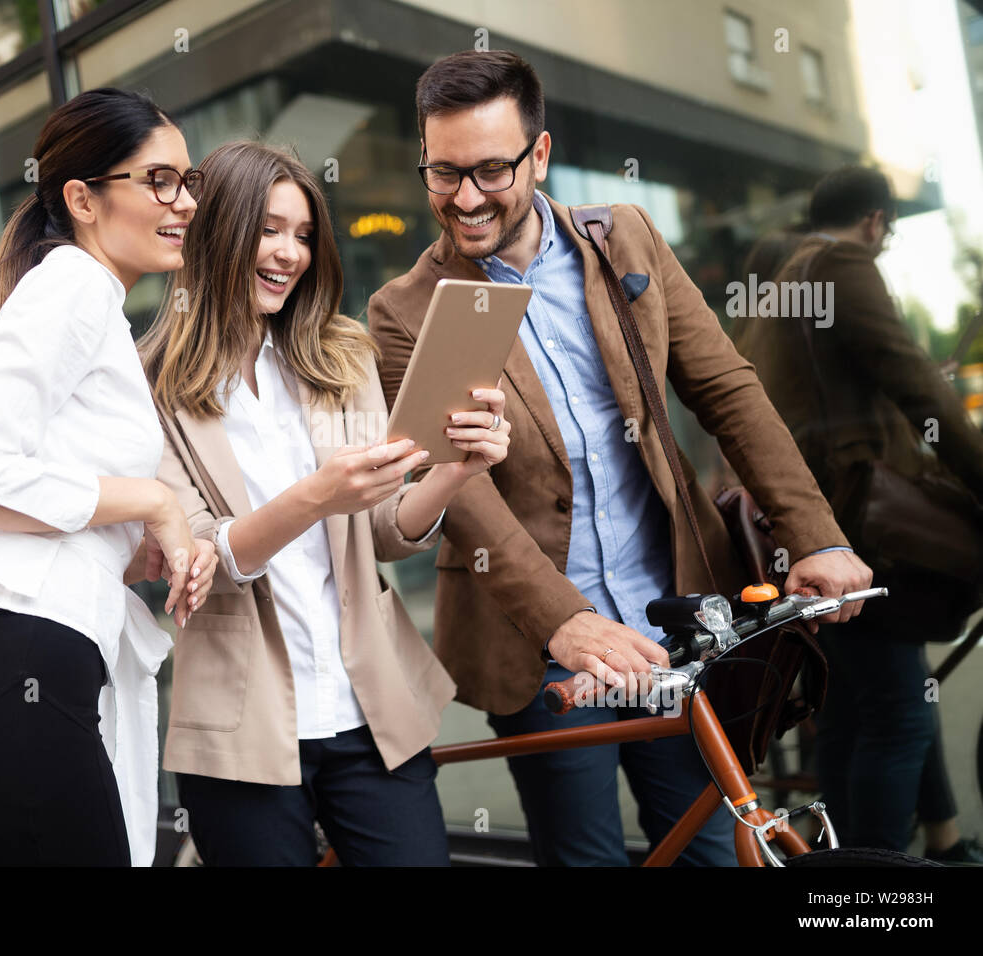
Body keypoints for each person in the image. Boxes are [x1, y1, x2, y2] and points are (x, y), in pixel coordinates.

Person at [369, 49, 872, 867]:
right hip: (540, 650)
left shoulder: (626, 239)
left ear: (540, 154)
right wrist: (562, 620)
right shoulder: (403, 309)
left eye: (491, 170)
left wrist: (814, 533)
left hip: (670, 622)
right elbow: (455, 490)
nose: (464, 198)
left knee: (712, 849)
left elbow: (728, 391)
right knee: (588, 859)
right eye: (443, 172)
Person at [140, 140, 511, 866]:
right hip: (239, 733)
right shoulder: (151, 385)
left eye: (304, 235)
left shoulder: (340, 357)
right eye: (269, 229)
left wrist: (452, 474)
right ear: (217, 231)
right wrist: (315, 496)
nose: (290, 253)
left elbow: (381, 528)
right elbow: (197, 557)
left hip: (367, 709)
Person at [0, 89, 218, 866]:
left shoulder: (91, 302)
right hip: (11, 690)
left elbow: (46, 501)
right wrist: (153, 501)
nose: (185, 203)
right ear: (81, 198)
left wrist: (140, 548)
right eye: (159, 181)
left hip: (5, 692)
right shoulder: (72, 285)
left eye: (190, 180)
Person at [737, 164, 983, 858]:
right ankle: (867, 889)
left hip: (805, 523)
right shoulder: (844, 263)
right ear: (875, 221)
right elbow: (914, 386)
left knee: (855, 710)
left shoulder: (785, 277)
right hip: (858, 528)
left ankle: (876, 864)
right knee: (898, 715)